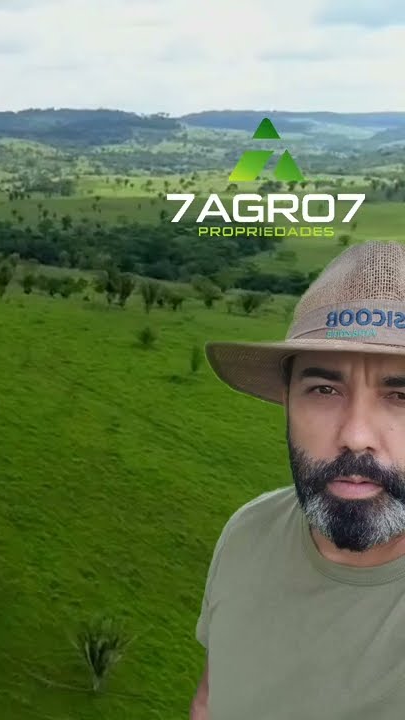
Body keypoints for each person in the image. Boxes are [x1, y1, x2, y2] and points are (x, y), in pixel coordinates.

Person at [195, 240, 405, 719]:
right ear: (287, 402)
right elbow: (211, 697)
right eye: (324, 390)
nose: (355, 436)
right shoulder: (247, 531)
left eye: (401, 395)